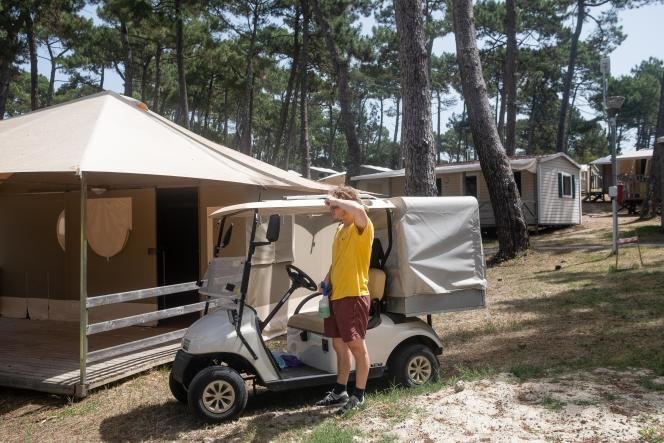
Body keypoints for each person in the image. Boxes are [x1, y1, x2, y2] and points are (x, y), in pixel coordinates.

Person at [315, 185, 373, 414]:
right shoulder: (340, 229)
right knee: (339, 345)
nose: (331, 208)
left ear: (345, 205)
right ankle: (341, 390)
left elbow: (359, 208)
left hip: (354, 295)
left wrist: (334, 198)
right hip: (336, 295)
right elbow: (337, 260)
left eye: (335, 206)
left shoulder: (362, 226)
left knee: (356, 346)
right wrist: (326, 280)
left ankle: (359, 396)